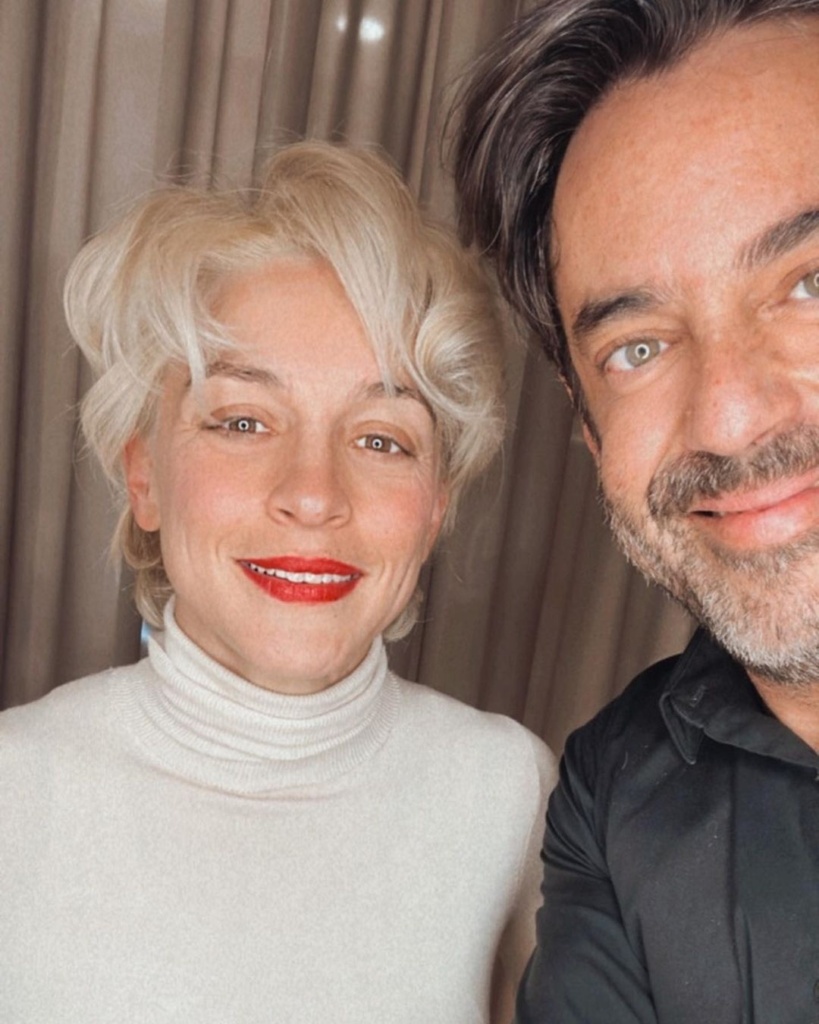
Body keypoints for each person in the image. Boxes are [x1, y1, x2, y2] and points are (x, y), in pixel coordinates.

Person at [0, 141, 556, 1022]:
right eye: (243, 421)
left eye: (381, 439)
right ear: (143, 476)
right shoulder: (14, 788)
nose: (313, 493)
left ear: (435, 506)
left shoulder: (509, 792)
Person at [453, 1, 819, 1021]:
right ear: (585, 423)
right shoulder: (615, 791)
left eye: (808, 284)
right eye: (638, 347)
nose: (729, 419)